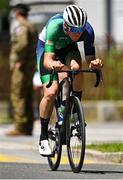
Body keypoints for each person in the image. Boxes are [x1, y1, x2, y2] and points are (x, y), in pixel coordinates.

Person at [36, 4, 103, 155]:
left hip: (68, 48)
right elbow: (47, 60)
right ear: (66, 26)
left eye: (80, 30)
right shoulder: (54, 26)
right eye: (74, 29)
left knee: (76, 69)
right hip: (46, 49)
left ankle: (75, 114)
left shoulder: (88, 31)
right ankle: (43, 136)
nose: (77, 34)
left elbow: (90, 58)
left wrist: (95, 64)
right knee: (51, 93)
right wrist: (53, 64)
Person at [6, 3, 37, 136]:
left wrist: (20, 59)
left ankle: (19, 127)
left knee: (18, 95)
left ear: (18, 13)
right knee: (28, 95)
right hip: (29, 67)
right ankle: (28, 126)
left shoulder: (22, 27)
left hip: (22, 66)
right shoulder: (31, 26)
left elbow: (23, 44)